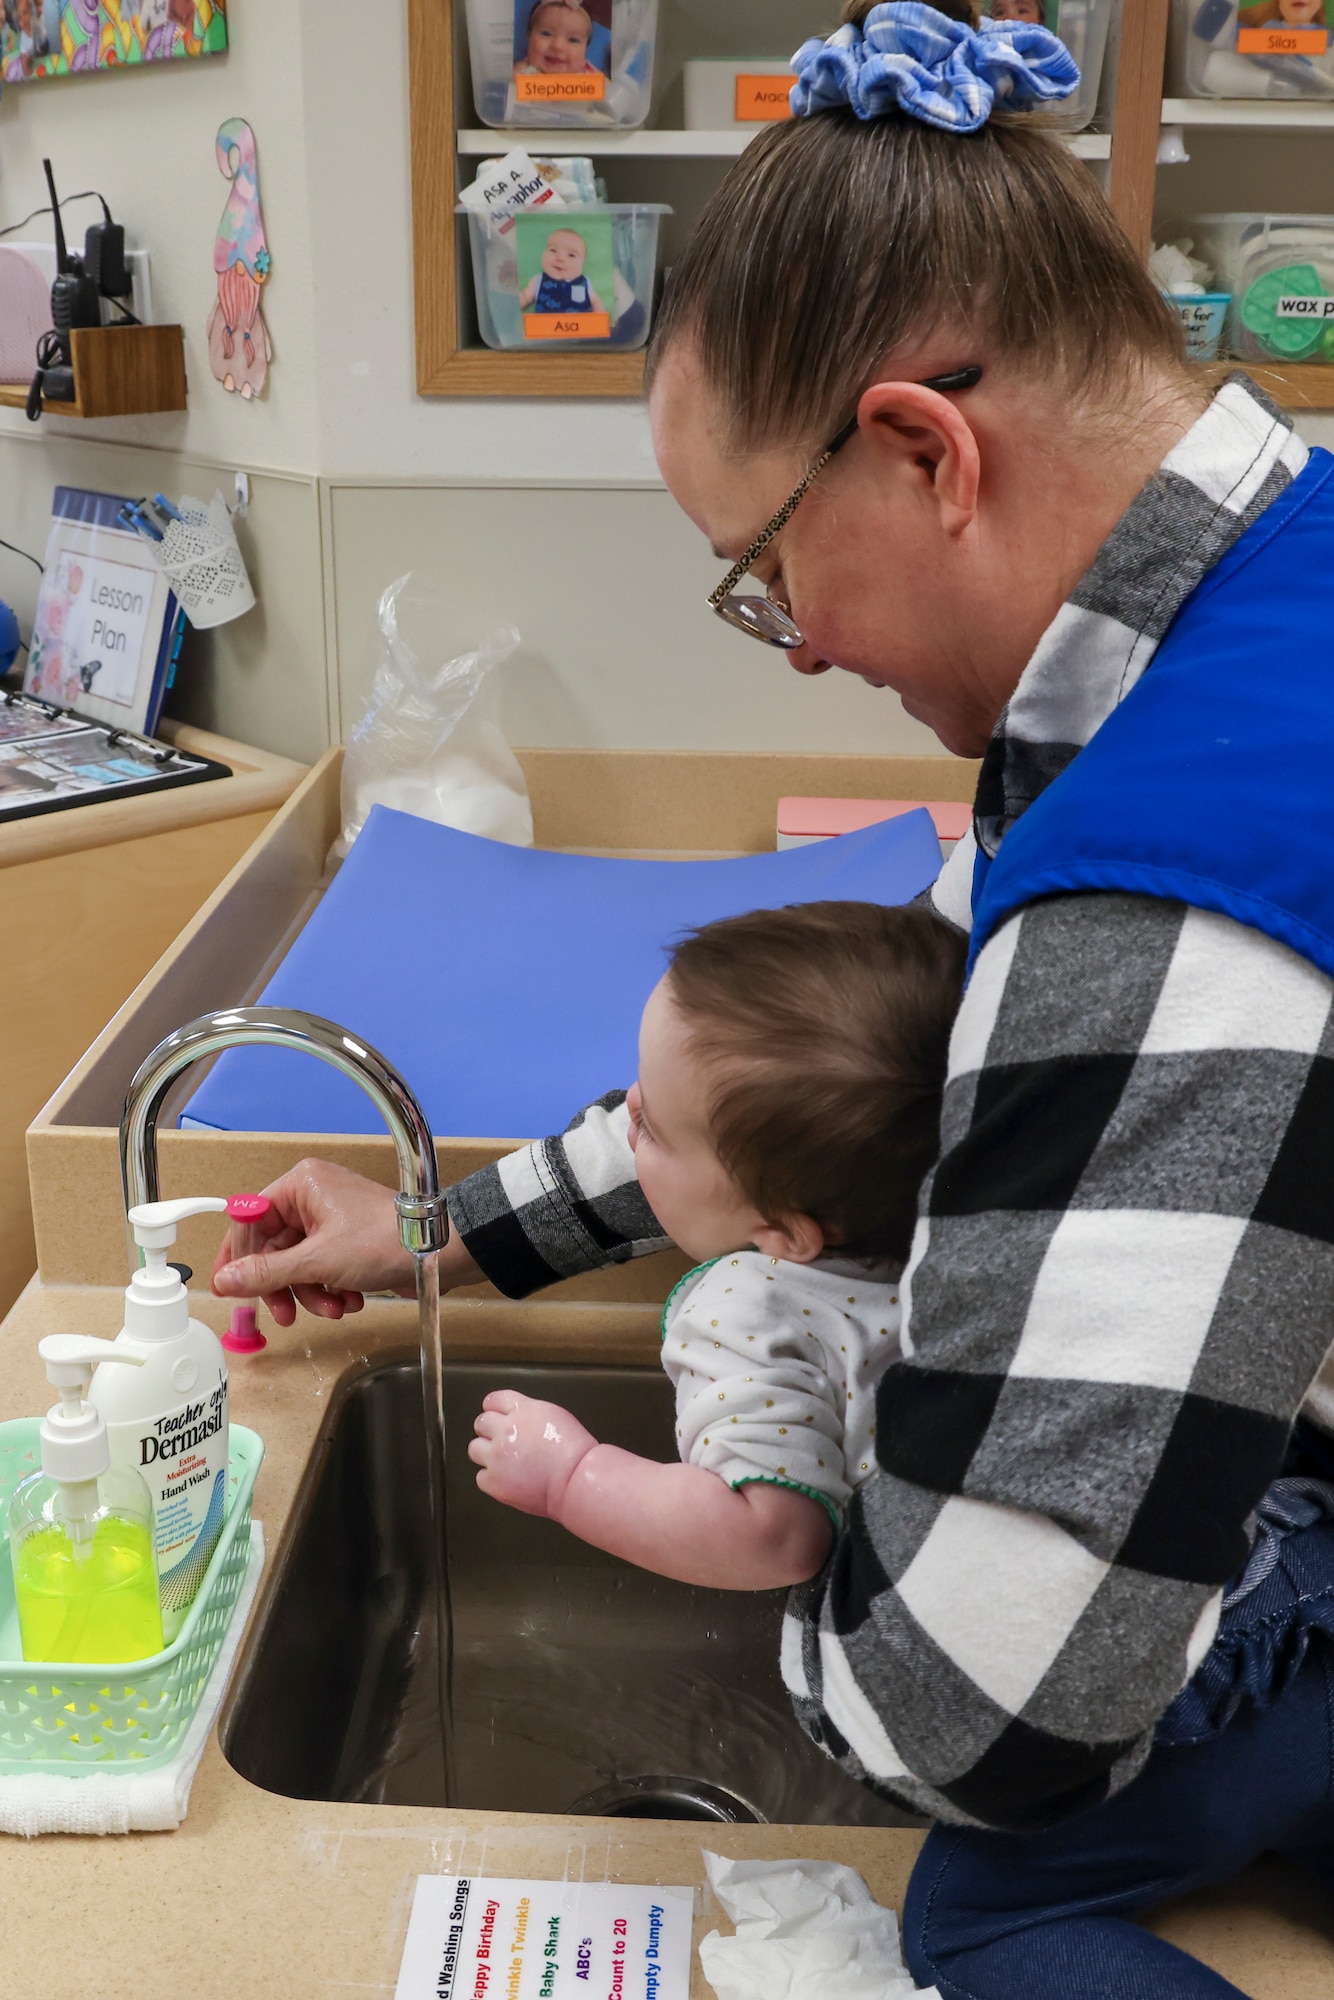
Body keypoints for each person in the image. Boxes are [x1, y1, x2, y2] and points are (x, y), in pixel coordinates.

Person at [215, 2, 1334, 1991]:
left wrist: (779, 1513)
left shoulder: (1159, 908)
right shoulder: (1221, 633)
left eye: (759, 568)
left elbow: (986, 1721)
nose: (794, 645)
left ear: (923, 450)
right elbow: (831, 1072)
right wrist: (445, 1237)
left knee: (985, 1921)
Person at [469, 902, 965, 1588]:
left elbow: (772, 1538)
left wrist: (571, 1478)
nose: (628, 1108)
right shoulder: (966, 1242)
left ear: (788, 1233)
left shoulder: (744, 1307)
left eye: (656, 1131)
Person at [518, 225, 605, 315]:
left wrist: (601, 320)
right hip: (546, 327)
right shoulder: (538, 281)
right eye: (553, 250)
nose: (560, 258)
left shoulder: (584, 283)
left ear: (582, 263)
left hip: (580, 327)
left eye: (571, 255)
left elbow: (596, 302)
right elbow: (524, 297)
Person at [514, 0, 600, 78]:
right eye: (546, 34)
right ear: (529, 35)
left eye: (573, 40)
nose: (558, 46)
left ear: (586, 48)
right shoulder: (523, 73)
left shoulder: (591, 75)